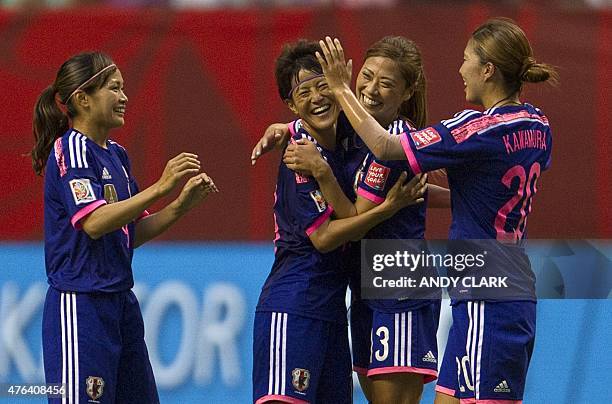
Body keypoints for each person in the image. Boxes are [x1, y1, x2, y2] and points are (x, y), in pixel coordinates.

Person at [315, 18, 558, 404]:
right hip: (500, 284)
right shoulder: (538, 124)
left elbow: (386, 147)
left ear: (488, 69)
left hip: (485, 294)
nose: (460, 69)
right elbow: (482, 187)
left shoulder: (478, 129)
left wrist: (341, 89)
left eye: (466, 60)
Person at [252, 36, 449, 404]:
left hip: (397, 280)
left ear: (408, 91)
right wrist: (281, 128)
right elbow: (328, 235)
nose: (371, 90)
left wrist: (325, 173)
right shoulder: (327, 141)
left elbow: (357, 213)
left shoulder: (385, 140)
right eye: (368, 77)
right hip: (328, 296)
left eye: (386, 82)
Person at [32, 51, 218, 403]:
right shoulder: (71, 150)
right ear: (82, 99)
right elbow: (93, 222)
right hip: (80, 305)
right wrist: (160, 188)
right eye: (114, 88)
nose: (124, 97)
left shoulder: (116, 154)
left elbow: (132, 232)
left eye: (124, 88)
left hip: (120, 305)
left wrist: (179, 205)